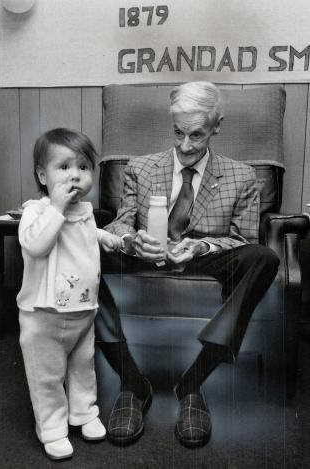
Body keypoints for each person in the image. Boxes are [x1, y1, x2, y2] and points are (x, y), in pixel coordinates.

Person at [98, 81, 280, 448]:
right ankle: (132, 383)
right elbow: (121, 222)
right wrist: (131, 241)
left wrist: (200, 247)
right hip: (146, 255)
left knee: (264, 257)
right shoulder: (141, 168)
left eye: (197, 135)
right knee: (85, 250)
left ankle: (193, 383)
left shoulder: (242, 176)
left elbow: (243, 240)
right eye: (179, 133)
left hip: (205, 260)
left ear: (217, 126)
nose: (186, 145)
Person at [16, 128, 122, 460]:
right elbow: (36, 245)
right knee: (47, 375)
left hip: (82, 310)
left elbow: (88, 235)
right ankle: (52, 427)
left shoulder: (86, 212)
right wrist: (57, 209)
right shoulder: (36, 211)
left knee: (82, 366)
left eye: (83, 167)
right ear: (42, 175)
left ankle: (84, 412)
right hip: (43, 316)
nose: (74, 175)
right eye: (63, 167)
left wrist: (109, 240)